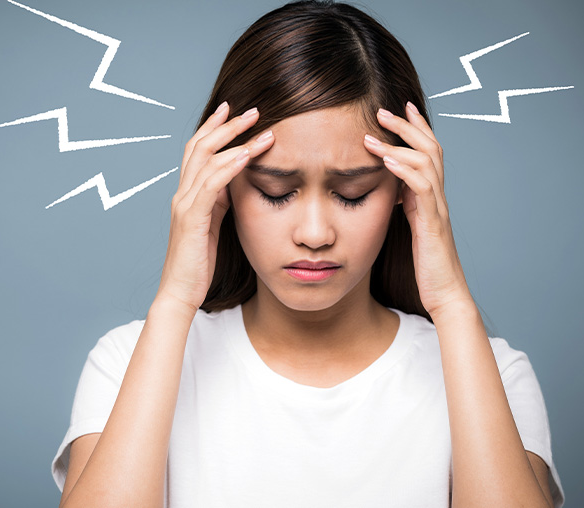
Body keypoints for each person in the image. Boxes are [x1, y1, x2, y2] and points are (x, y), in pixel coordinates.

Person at [52, 1, 564, 506]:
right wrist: (174, 301)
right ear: (220, 184)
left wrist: (452, 302)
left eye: (354, 192)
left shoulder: (492, 373)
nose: (315, 233)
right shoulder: (126, 363)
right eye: (275, 190)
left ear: (407, 190)